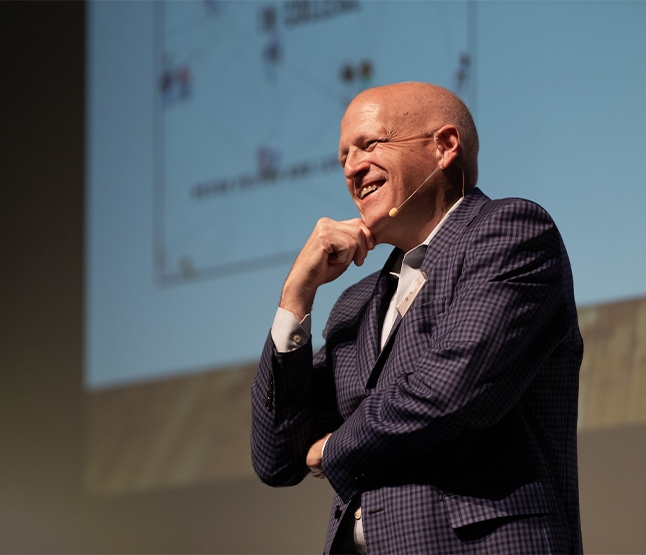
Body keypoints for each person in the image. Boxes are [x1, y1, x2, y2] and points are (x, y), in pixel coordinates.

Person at [250, 82, 583, 554]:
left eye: (370, 144)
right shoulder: (355, 303)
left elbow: (453, 390)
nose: (352, 168)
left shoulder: (512, 234)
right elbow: (278, 457)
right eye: (343, 156)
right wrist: (295, 298)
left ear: (444, 147)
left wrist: (332, 450)